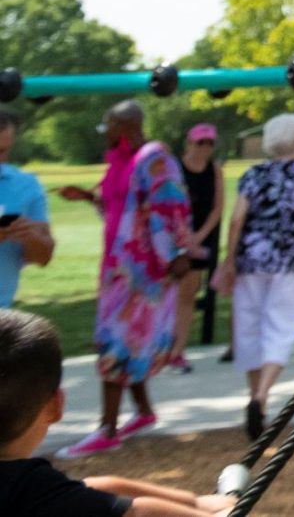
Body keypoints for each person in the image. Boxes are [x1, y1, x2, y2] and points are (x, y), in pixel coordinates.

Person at [53, 102, 190, 457]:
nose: (107, 132)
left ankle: (107, 429)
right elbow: (119, 205)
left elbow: (170, 205)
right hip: (118, 267)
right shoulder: (121, 160)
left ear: (124, 124)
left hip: (143, 270)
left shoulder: (154, 157)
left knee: (115, 342)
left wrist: (175, 253)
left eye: (109, 125)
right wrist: (87, 197)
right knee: (128, 340)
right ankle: (143, 412)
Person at [0, 310, 231, 516]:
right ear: (55, 406)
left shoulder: (30, 489)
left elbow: (94, 487)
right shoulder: (29, 486)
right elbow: (138, 513)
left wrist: (195, 502)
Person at [212, 115, 294, 443]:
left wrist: (230, 259)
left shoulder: (253, 174)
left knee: (250, 324)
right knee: (282, 324)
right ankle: (261, 396)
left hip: (252, 257)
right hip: (293, 259)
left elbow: (236, 220)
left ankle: (253, 395)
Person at [171, 128, 221, 371]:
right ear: (189, 143)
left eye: (209, 143)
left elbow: (217, 206)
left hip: (199, 242)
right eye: (200, 142)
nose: (204, 148)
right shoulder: (174, 168)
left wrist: (199, 236)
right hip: (172, 240)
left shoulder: (214, 169)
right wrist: (181, 236)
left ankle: (179, 349)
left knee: (188, 296)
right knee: (167, 295)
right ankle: (161, 347)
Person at [0, 109, 57, 309]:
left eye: (5, 150)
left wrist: (31, 236)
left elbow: (43, 258)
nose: (2, 158)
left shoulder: (27, 184)